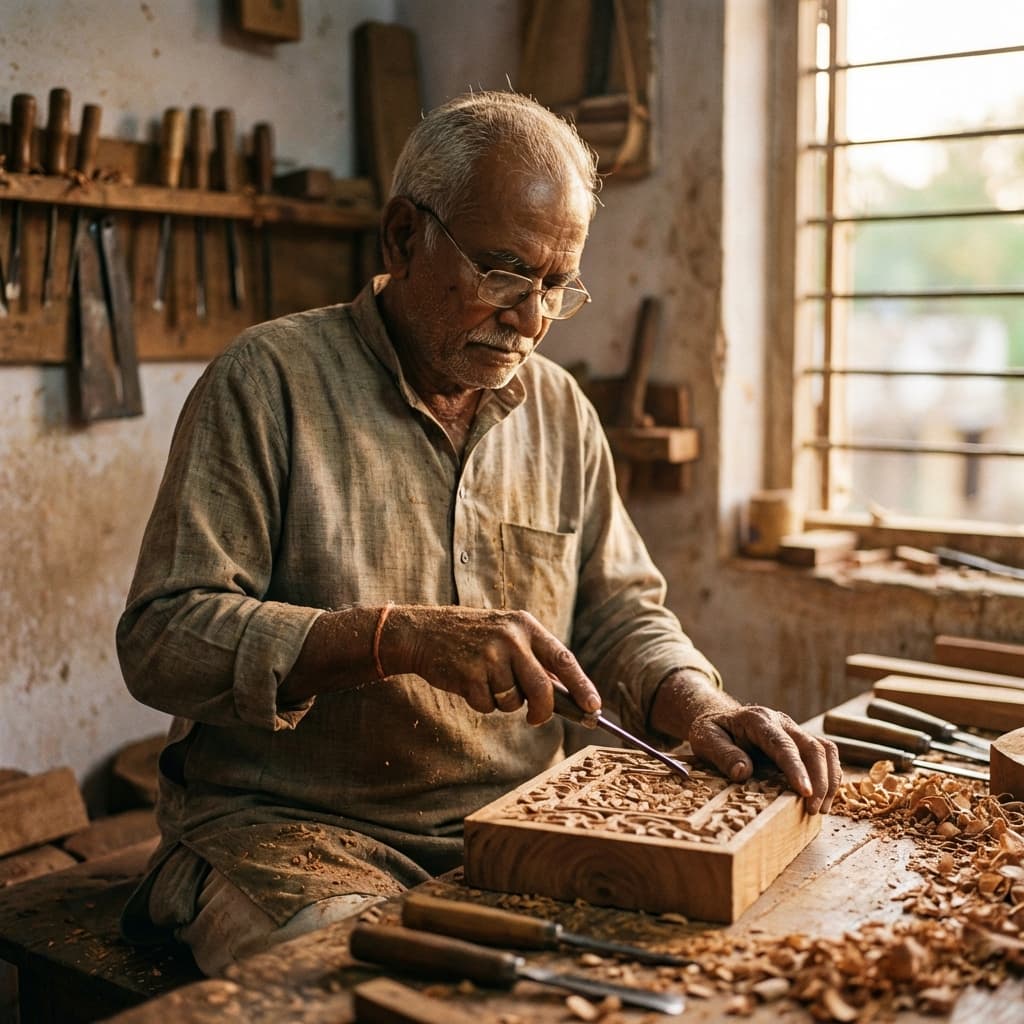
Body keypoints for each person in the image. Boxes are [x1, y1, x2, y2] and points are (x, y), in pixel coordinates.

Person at [117, 90, 841, 976]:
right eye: (503, 274)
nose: (531, 317)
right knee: (375, 988)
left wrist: (703, 704)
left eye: (554, 286)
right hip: (292, 836)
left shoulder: (561, 411)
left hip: (517, 823)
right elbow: (161, 640)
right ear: (402, 237)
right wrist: (394, 638)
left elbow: (617, 613)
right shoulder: (269, 382)